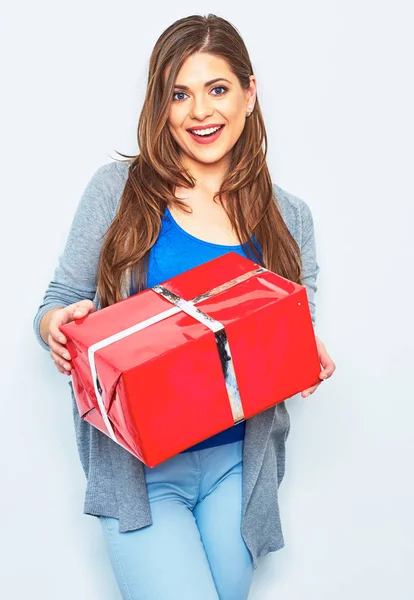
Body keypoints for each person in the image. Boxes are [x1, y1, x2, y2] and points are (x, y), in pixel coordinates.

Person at [33, 13, 336, 600]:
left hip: (237, 470)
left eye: (217, 89)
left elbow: (293, 334)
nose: (200, 111)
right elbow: (55, 303)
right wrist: (55, 325)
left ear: (250, 94)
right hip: (140, 472)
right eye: (180, 93)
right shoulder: (117, 191)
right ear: (160, 105)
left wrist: (309, 354)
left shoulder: (289, 217)